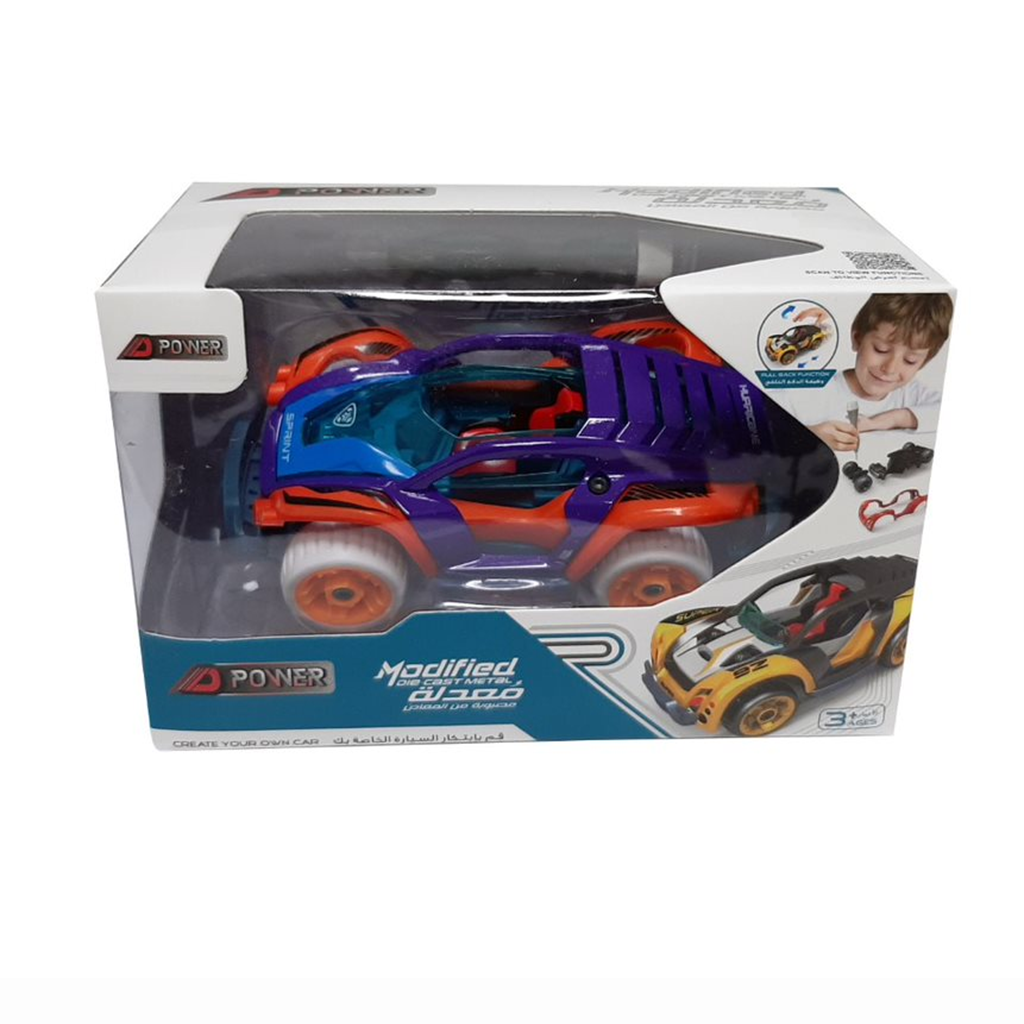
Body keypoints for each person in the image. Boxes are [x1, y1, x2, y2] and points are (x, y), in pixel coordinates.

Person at [784, 293, 953, 452]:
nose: (890, 369)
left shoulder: (912, 393)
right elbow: (770, 438)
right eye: (881, 349)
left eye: (910, 360)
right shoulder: (810, 390)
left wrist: (889, 420)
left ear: (924, 362)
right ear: (857, 338)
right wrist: (810, 437)